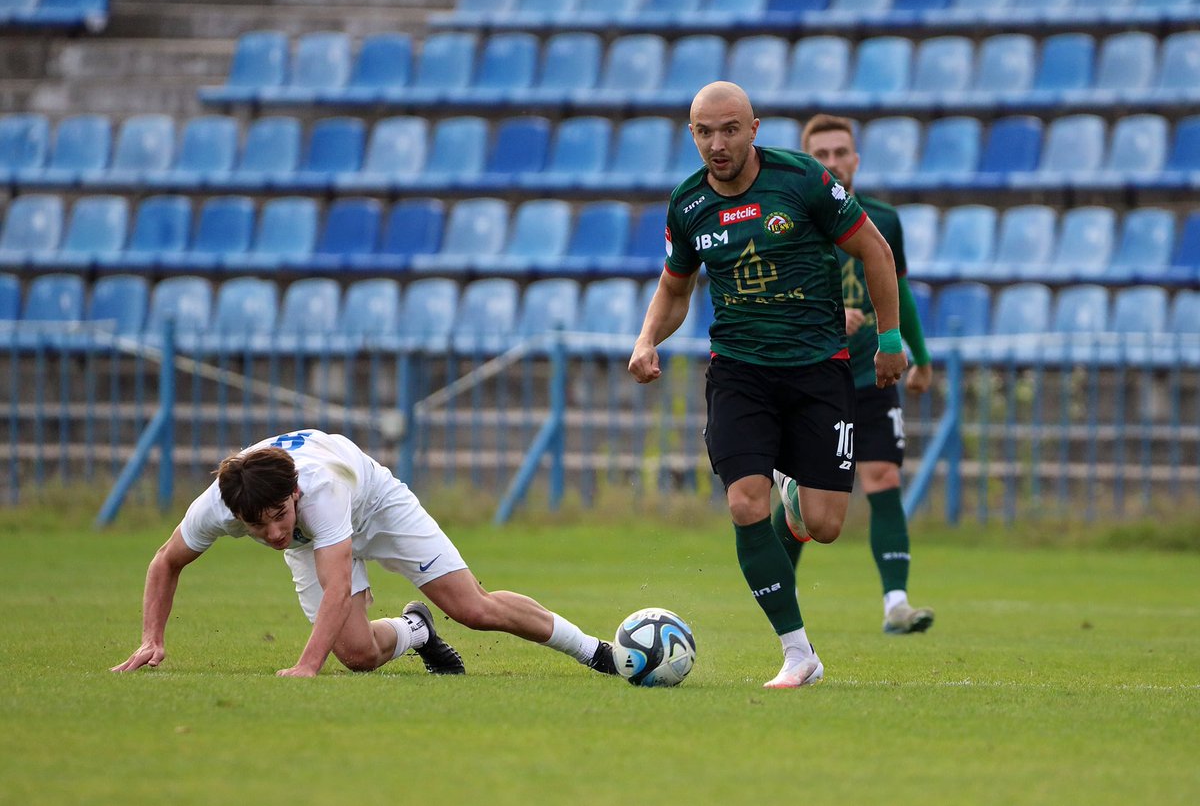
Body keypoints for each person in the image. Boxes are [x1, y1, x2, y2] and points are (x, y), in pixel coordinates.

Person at [628, 82, 908, 688]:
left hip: (817, 370)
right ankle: (798, 653)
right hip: (739, 372)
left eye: (729, 129)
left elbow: (875, 251)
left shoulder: (802, 180)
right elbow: (675, 287)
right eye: (704, 132)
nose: (717, 144)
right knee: (743, 503)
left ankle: (796, 489)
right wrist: (648, 338)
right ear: (691, 135)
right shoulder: (687, 204)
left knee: (828, 525)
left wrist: (889, 339)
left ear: (754, 129)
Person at [111, 429, 619, 679]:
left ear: (294, 495)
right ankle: (417, 630)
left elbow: (336, 587)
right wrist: (151, 638)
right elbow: (165, 562)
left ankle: (596, 652)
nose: (271, 534)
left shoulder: (321, 490)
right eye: (256, 525)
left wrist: (307, 667)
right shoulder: (220, 505)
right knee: (357, 657)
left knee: (473, 608)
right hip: (322, 537)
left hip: (375, 504)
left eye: (278, 517)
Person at [771, 114, 936, 636]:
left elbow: (900, 289)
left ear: (856, 159)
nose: (833, 162)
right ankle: (777, 593)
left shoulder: (883, 220)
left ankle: (896, 603)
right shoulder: (789, 216)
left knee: (883, 476)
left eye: (841, 152)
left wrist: (920, 355)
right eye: (821, 154)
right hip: (808, 375)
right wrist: (826, 314)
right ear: (807, 161)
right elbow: (766, 292)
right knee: (805, 500)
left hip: (871, 376)